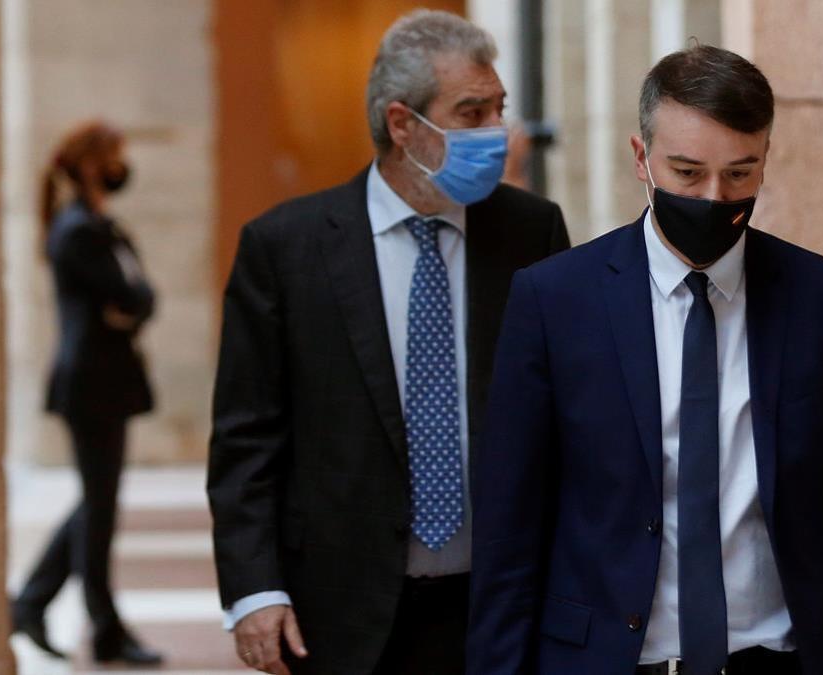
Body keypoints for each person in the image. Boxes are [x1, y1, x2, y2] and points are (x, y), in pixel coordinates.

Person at [468, 45, 823, 675]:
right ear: (641, 158)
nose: (713, 195)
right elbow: (509, 530)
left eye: (739, 173)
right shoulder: (555, 301)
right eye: (688, 172)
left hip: (777, 658)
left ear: (765, 160)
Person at [206, 10, 570, 675]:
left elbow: (566, 413)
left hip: (497, 607)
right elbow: (246, 437)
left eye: (499, 108)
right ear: (403, 125)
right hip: (340, 612)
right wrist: (255, 588)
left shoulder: (532, 232)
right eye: (471, 112)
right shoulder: (285, 247)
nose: (498, 132)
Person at [10, 121, 163, 666]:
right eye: (116, 157)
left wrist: (134, 305)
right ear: (95, 165)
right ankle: (101, 627)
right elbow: (129, 293)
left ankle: (33, 604)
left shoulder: (100, 225)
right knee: (99, 506)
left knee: (97, 504)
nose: (124, 167)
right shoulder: (79, 231)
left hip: (108, 379)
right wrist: (132, 304)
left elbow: (141, 299)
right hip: (90, 383)